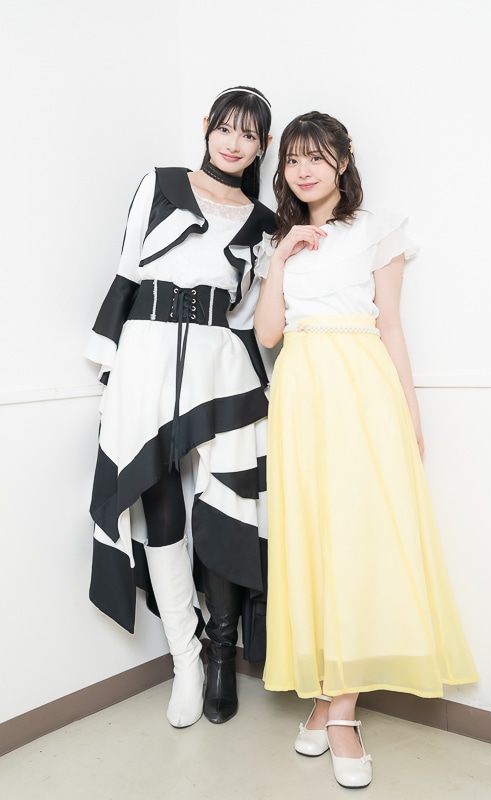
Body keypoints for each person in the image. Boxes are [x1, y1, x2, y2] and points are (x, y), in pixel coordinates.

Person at [254, 111, 478, 789]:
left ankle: (341, 713)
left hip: (361, 387)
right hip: (299, 392)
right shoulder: (280, 240)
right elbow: (268, 335)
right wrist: (280, 258)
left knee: (355, 541)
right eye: (293, 159)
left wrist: (409, 411)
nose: (304, 169)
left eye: (317, 157)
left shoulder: (376, 229)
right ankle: (327, 697)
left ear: (344, 161)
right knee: (311, 541)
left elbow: (392, 327)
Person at [85, 86, 275, 729]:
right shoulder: (161, 185)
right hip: (146, 358)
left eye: (248, 135)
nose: (234, 142)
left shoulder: (264, 223)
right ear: (207, 127)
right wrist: (112, 369)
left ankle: (222, 656)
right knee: (159, 503)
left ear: (261, 147)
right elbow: (126, 270)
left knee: (227, 504)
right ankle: (185, 660)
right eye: (225, 128)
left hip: (221, 367)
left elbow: (248, 317)